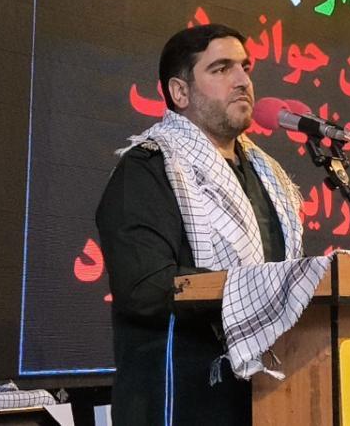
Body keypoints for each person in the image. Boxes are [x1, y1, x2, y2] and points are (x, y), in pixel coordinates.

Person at [95, 24, 305, 425]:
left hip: (269, 399)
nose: (243, 81)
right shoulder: (148, 169)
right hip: (180, 402)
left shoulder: (268, 177)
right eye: (222, 69)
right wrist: (252, 288)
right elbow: (144, 287)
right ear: (180, 92)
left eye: (245, 67)